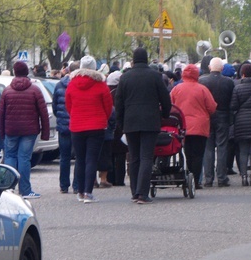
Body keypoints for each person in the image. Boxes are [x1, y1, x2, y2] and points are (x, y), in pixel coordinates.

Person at [115, 47, 172, 204]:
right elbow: (165, 99)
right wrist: (165, 115)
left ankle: (134, 192)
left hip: (130, 122)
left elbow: (118, 102)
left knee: (134, 157)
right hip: (150, 121)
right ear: (146, 59)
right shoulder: (155, 76)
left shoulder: (125, 78)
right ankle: (142, 193)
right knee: (146, 157)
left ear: (133, 60)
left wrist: (121, 122)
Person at [65, 56, 113, 203]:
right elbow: (108, 106)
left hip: (77, 126)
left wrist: (75, 115)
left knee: (80, 159)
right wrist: (103, 118)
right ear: (93, 67)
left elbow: (69, 105)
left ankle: (79, 191)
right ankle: (88, 193)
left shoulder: (72, 84)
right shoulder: (100, 84)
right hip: (96, 125)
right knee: (91, 159)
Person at [0, 61, 49, 198]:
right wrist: (45, 132)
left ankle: (8, 189)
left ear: (14, 72)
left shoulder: (7, 91)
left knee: (10, 157)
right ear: (27, 72)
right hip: (29, 130)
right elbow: (43, 113)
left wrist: (2, 132)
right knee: (24, 158)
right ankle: (25, 190)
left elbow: (1, 114)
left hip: (11, 129)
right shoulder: (35, 90)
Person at [170, 63, 217, 189]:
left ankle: (188, 177)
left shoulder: (176, 89)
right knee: (198, 154)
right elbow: (212, 107)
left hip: (183, 126)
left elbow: (171, 107)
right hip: (200, 126)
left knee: (188, 153)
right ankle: (195, 181)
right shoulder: (202, 89)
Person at [199, 57, 234, 187]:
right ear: (222, 68)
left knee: (208, 148)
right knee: (222, 146)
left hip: (207, 116)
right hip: (223, 116)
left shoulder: (202, 81)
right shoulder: (229, 82)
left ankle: (208, 179)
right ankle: (222, 177)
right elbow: (232, 101)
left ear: (209, 67)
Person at [53, 62, 78, 194]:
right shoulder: (78, 85)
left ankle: (63, 185)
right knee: (79, 156)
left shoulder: (59, 85)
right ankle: (77, 185)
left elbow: (55, 106)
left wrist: (61, 117)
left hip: (63, 125)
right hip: (77, 125)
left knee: (64, 156)